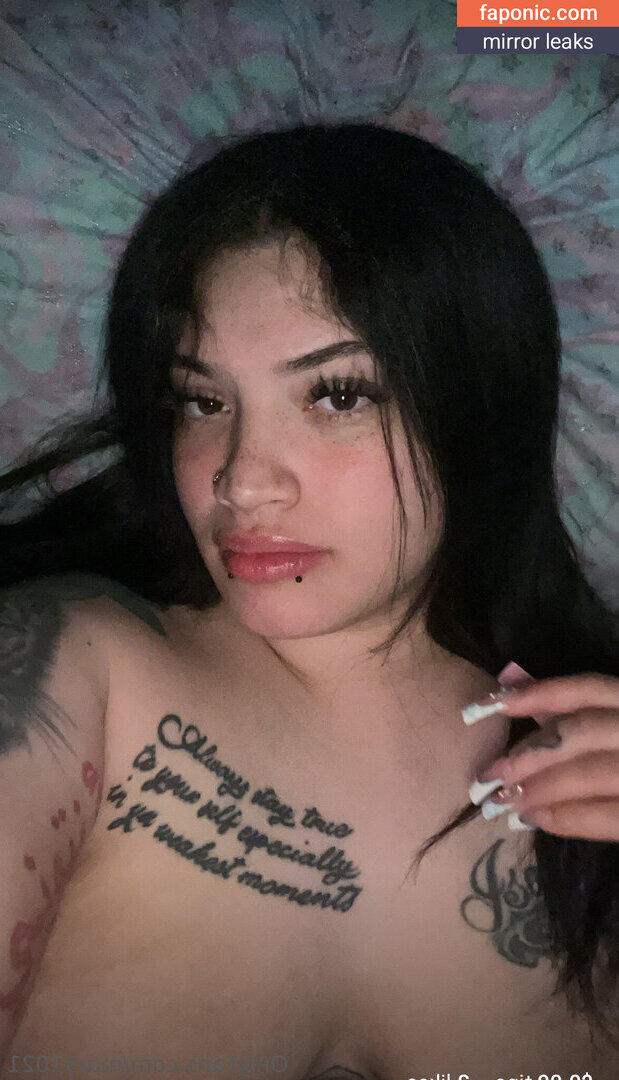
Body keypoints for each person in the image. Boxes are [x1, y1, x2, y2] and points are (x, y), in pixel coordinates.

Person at [0, 123, 618, 1078]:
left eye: (337, 395)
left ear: (479, 400)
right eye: (202, 401)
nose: (241, 481)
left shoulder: (596, 775)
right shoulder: (68, 671)